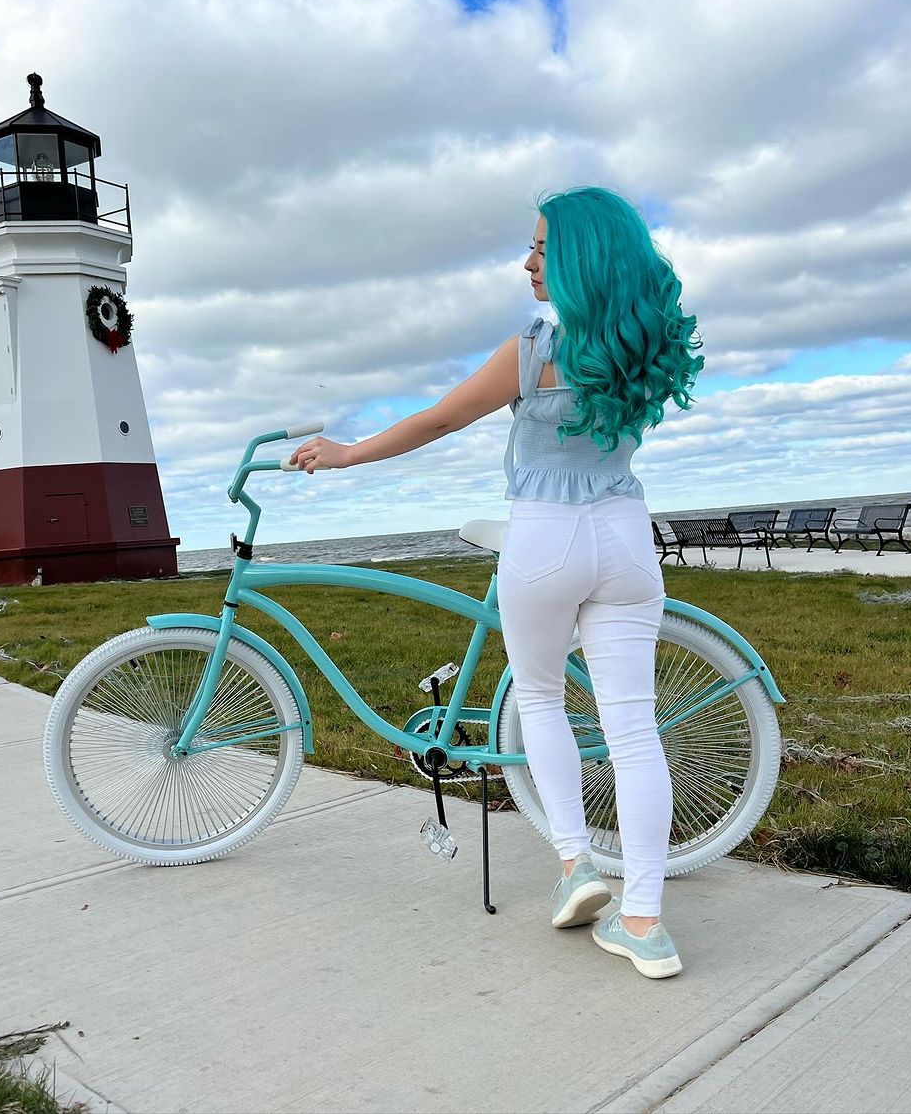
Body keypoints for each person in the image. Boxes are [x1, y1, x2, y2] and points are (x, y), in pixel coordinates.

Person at [288, 185, 704, 980]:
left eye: (542, 248)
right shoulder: (644, 342)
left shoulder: (534, 348)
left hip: (545, 536)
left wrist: (347, 454)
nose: (528, 262)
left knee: (540, 699)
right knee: (632, 729)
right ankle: (645, 923)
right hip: (625, 536)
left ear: (578, 257)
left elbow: (441, 419)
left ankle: (576, 865)